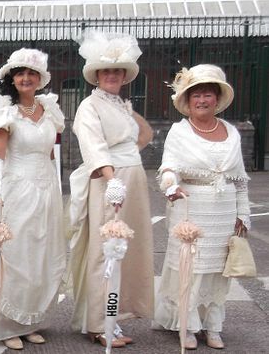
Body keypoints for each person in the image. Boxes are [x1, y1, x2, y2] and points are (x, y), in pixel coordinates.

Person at [0, 48, 66, 350]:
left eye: (31, 74)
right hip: (16, 190)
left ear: (39, 79)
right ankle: (5, 323)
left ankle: (29, 322)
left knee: (40, 256)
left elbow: (50, 155)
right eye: (20, 73)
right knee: (15, 256)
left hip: (46, 189)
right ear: (12, 79)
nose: (26, 78)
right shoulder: (5, 111)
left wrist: (55, 188)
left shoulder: (49, 110)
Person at [153, 64, 250, 350]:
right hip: (190, 209)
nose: (202, 100)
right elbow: (168, 168)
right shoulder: (179, 132)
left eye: (208, 94)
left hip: (223, 214)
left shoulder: (231, 132)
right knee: (190, 269)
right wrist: (170, 185)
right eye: (196, 95)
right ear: (188, 100)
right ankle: (188, 325)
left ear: (217, 99)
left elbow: (240, 179)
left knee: (218, 272)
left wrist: (243, 213)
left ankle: (213, 326)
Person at [68, 30, 154, 348]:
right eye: (106, 71)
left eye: (117, 71)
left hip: (132, 178)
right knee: (105, 250)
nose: (112, 75)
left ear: (124, 75)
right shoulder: (90, 107)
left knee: (125, 250)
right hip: (110, 181)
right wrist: (111, 176)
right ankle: (98, 322)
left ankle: (114, 315)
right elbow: (92, 144)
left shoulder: (119, 104)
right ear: (97, 75)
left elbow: (142, 136)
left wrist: (128, 159)